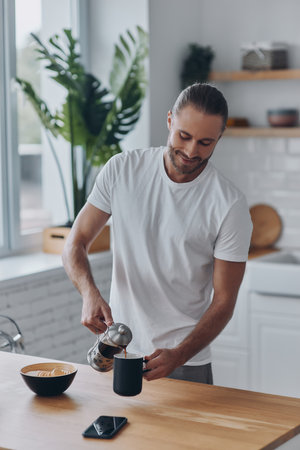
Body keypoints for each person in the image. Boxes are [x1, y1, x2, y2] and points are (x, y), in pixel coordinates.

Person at [62, 83, 253, 384]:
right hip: (118, 350)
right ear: (169, 121)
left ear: (219, 137)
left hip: (184, 362)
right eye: (184, 136)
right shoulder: (122, 170)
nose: (191, 151)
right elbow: (75, 242)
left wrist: (180, 353)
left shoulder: (229, 205)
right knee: (109, 431)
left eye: (205, 142)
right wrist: (88, 293)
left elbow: (224, 301)